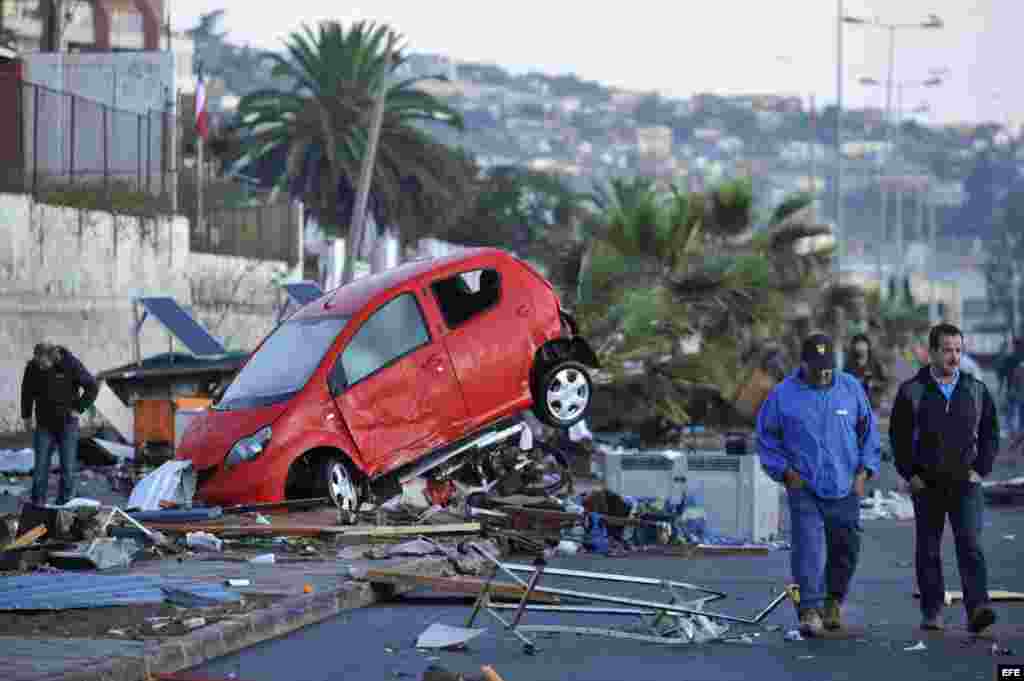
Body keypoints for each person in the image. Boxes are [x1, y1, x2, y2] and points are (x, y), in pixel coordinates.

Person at [757, 333, 880, 637]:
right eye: (818, 369)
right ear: (804, 365)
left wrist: (864, 472)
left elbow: (869, 432)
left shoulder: (850, 387)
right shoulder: (783, 394)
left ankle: (833, 601)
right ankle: (809, 610)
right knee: (807, 550)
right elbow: (766, 438)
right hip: (804, 486)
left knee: (846, 547)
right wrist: (785, 473)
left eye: (828, 368)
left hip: (845, 484)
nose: (825, 375)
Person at [889, 323, 1000, 633]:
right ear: (932, 352)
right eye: (947, 350)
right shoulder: (912, 390)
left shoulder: (975, 389)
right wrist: (910, 474)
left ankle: (977, 608)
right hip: (927, 484)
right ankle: (932, 610)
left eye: (958, 350)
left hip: (966, 482)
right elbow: (898, 437)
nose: (954, 356)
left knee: (970, 543)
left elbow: (991, 431)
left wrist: (981, 469)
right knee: (928, 549)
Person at [20, 343, 98, 506]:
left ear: (53, 358)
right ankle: (38, 503)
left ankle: (65, 504)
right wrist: (26, 417)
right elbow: (26, 392)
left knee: (68, 468)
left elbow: (92, 386)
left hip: (67, 424)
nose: (40, 366)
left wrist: (79, 408)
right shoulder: (33, 367)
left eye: (43, 364)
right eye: (37, 363)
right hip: (44, 424)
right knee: (40, 468)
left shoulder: (71, 364)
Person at [843, 333, 889, 411]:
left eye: (862, 344)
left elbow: (885, 384)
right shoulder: (848, 366)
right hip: (854, 405)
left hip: (873, 405)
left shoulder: (876, 364)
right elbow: (843, 385)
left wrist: (874, 383)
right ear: (853, 347)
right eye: (857, 344)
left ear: (868, 346)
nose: (860, 347)